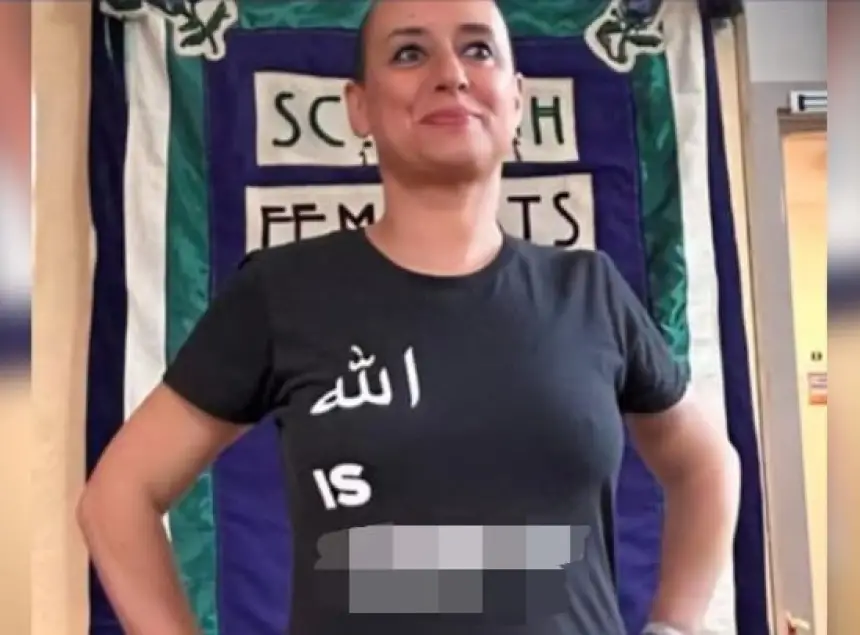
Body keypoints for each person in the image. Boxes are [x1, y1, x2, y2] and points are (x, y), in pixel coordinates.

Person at [77, 1, 741, 634]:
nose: (451, 73)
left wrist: (674, 623)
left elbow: (708, 466)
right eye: (408, 54)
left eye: (478, 49)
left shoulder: (589, 292)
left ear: (516, 98)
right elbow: (117, 497)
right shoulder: (285, 293)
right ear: (359, 106)